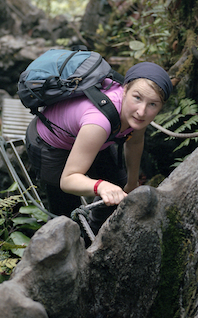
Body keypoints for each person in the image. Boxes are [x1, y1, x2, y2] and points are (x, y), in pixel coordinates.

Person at [25, 61, 172, 232]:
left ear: (160, 106)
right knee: (66, 215)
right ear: (124, 90)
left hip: (94, 138)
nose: (142, 111)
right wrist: (100, 187)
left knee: (118, 190)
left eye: (152, 104)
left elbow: (135, 142)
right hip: (49, 142)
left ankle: (96, 233)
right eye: (137, 98)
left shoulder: (136, 114)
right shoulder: (99, 121)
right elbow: (68, 180)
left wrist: (132, 183)